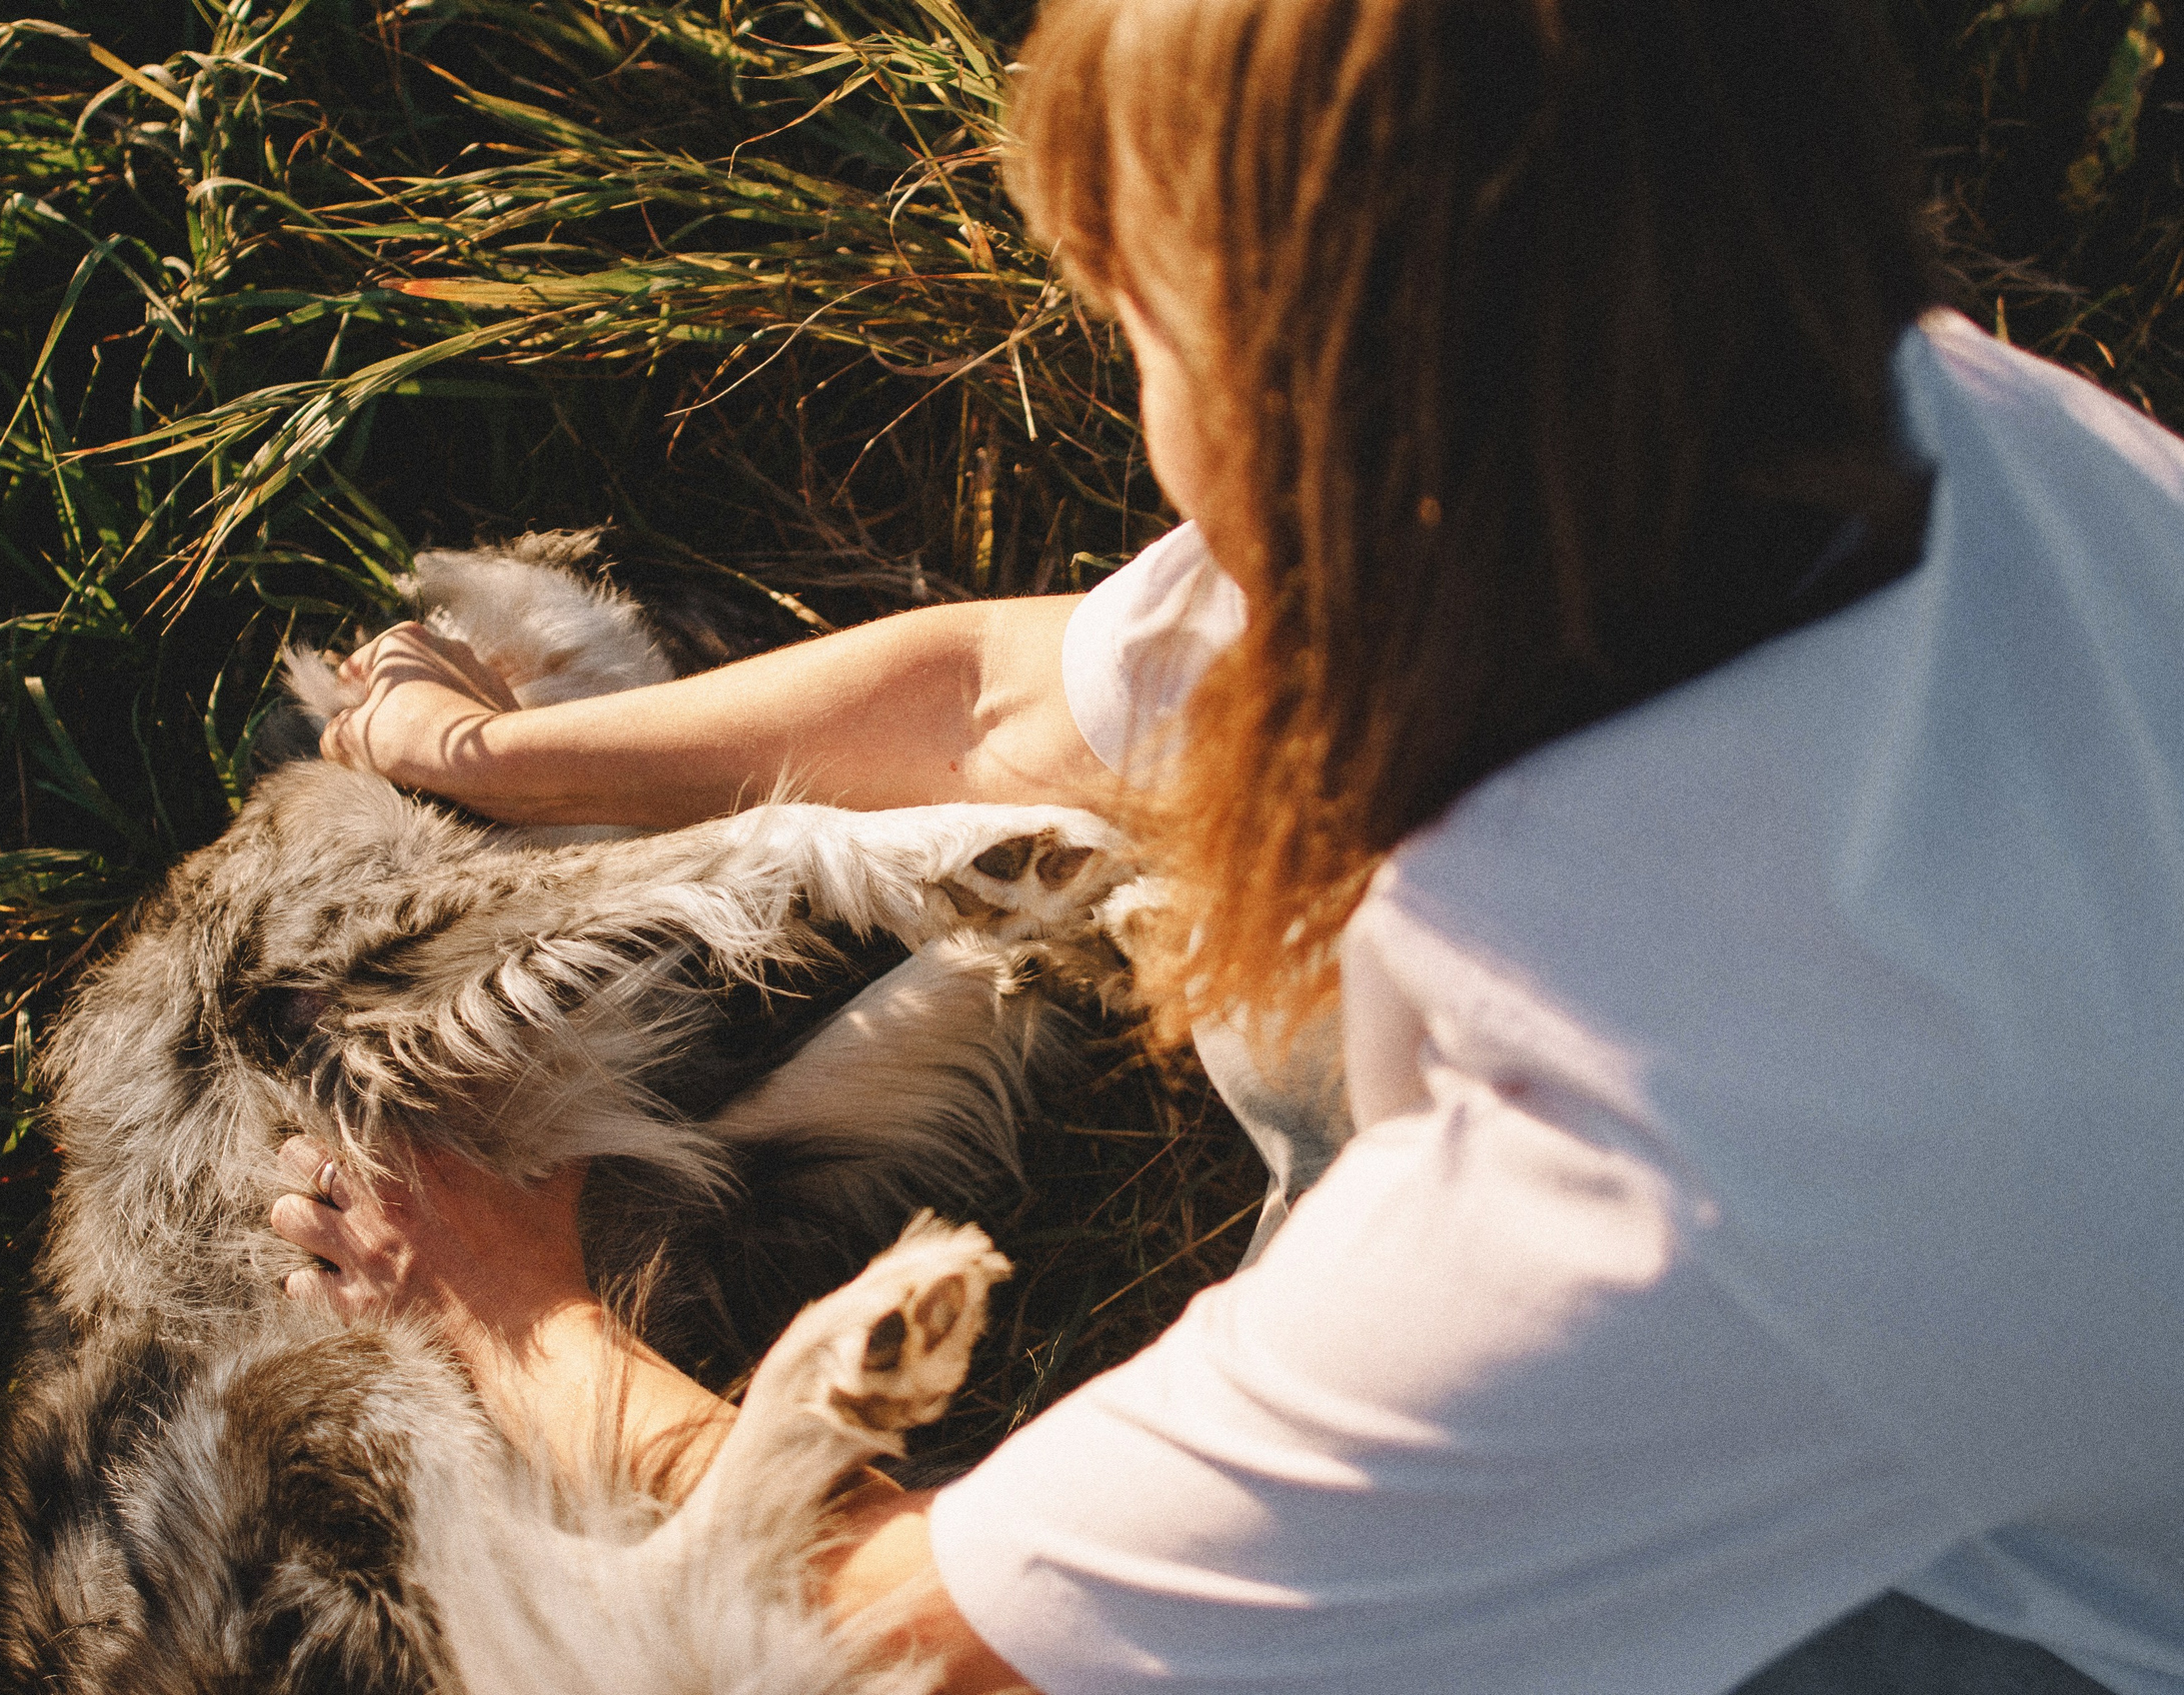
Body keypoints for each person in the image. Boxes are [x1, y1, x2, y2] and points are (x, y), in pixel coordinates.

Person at [266, 0, 2184, 1689]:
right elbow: (993, 706)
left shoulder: (1659, 1183)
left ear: (1323, 409)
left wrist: (517, 1320)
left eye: (1144, 311)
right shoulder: (1848, 405)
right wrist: (484, 753)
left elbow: (903, 1646)